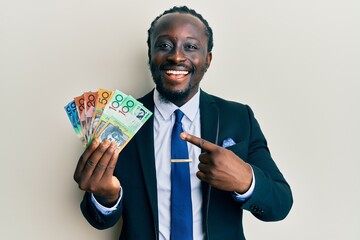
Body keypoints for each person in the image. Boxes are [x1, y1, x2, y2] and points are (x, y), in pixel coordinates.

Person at [73, 6, 293, 240]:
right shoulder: (117, 121)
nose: (176, 56)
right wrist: (106, 198)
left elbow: (280, 205)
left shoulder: (239, 118)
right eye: (164, 45)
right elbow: (97, 219)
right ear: (150, 55)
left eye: (190, 46)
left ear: (207, 59)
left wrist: (246, 180)